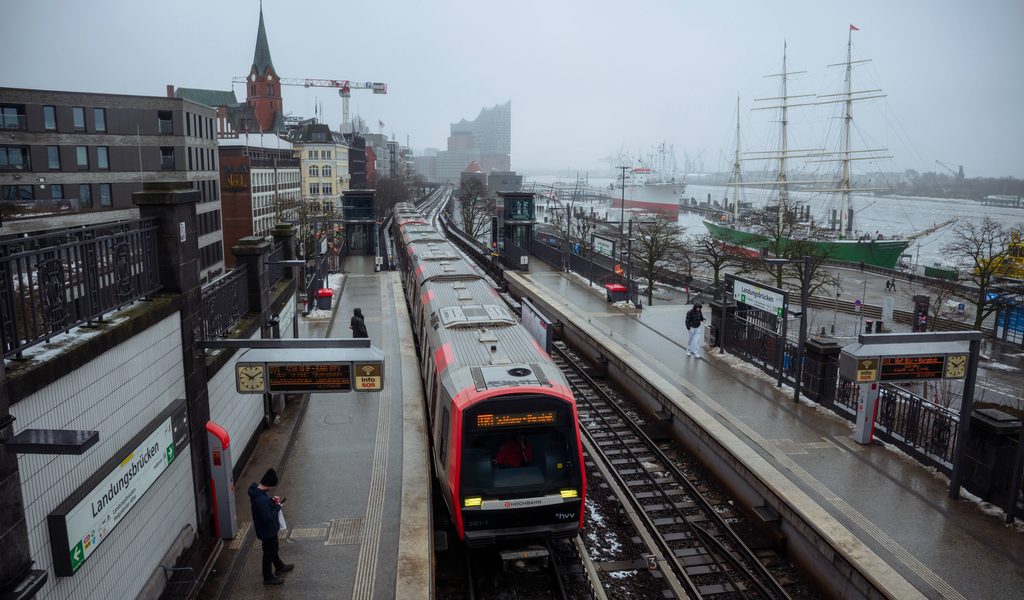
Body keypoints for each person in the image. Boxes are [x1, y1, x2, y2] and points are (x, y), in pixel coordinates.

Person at [248, 469, 294, 585]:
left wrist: (271, 502)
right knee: (268, 553)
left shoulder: (259, 494)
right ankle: (268, 577)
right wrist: (277, 507)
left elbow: (264, 509)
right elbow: (267, 517)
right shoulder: (261, 500)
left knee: (273, 548)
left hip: (269, 530)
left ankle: (279, 566)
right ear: (269, 484)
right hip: (267, 531)